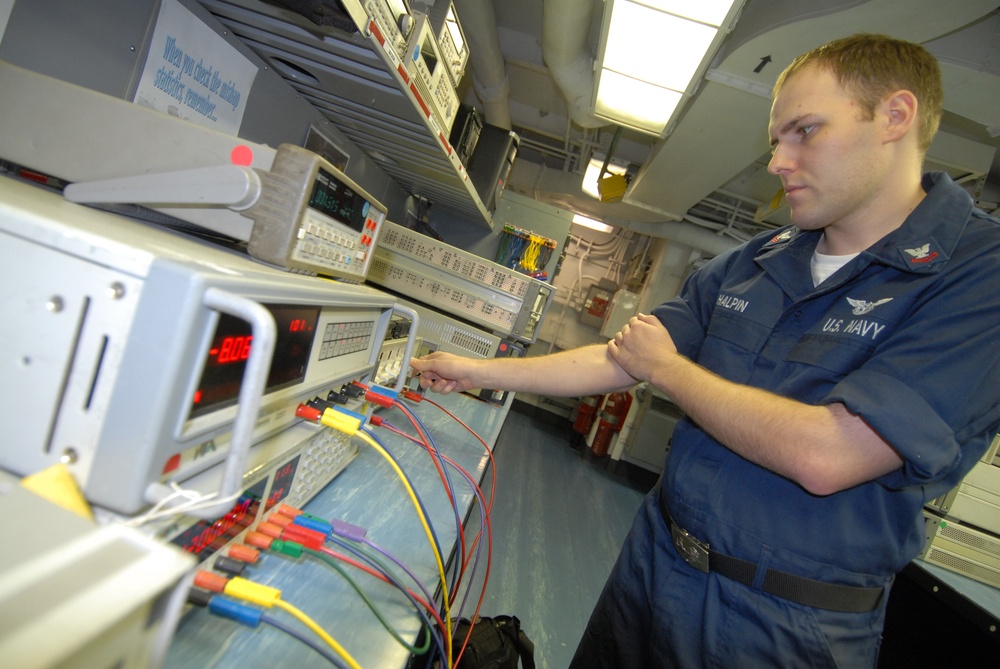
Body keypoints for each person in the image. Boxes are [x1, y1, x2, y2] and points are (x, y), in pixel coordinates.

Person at [410, 33, 1000, 668]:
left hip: (782, 623)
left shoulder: (975, 274)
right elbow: (620, 355)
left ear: (895, 117)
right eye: (777, 139)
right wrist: (472, 368)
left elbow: (830, 454)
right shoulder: (761, 258)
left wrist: (667, 371)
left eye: (804, 131)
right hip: (653, 563)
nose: (778, 160)